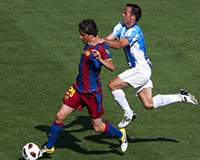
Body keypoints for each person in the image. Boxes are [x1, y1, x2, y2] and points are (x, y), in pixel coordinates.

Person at [94, 3, 199, 128]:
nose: (123, 14)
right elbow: (108, 39)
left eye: (125, 13)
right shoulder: (121, 26)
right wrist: (95, 44)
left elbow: (119, 44)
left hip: (141, 70)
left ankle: (128, 113)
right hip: (141, 69)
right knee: (149, 104)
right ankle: (181, 97)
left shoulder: (135, 32)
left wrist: (102, 41)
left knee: (113, 85)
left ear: (133, 17)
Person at [42, 19, 128, 154]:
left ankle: (120, 134)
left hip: (92, 93)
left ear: (89, 34)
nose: (80, 37)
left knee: (98, 127)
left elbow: (112, 67)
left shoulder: (101, 47)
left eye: (82, 35)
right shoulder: (89, 42)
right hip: (78, 89)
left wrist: (100, 58)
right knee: (59, 116)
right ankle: (49, 146)